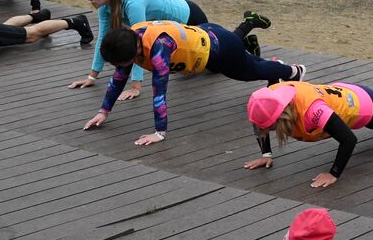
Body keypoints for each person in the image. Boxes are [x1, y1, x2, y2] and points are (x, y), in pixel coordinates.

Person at [83, 17, 298, 146]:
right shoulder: (129, 37)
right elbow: (118, 79)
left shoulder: (159, 49)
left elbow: (159, 92)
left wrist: (160, 132)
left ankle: (292, 71)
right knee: (252, 64)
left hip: (220, 48)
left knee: (249, 71)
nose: (122, 67)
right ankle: (270, 65)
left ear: (134, 51)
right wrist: (103, 111)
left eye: (123, 62)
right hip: (207, 35)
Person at [244, 81, 373, 188]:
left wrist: (333, 174)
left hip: (363, 108)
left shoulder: (314, 111)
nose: (264, 130)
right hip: (348, 94)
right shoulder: (273, 96)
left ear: (281, 117)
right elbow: (259, 123)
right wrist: (265, 154)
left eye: (270, 127)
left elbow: (349, 140)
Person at [67, 0, 211, 100]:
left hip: (189, 18)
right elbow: (102, 39)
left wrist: (135, 87)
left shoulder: (134, 3)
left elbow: (138, 43)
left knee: (214, 65)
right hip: (172, 31)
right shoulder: (105, 6)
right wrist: (91, 77)